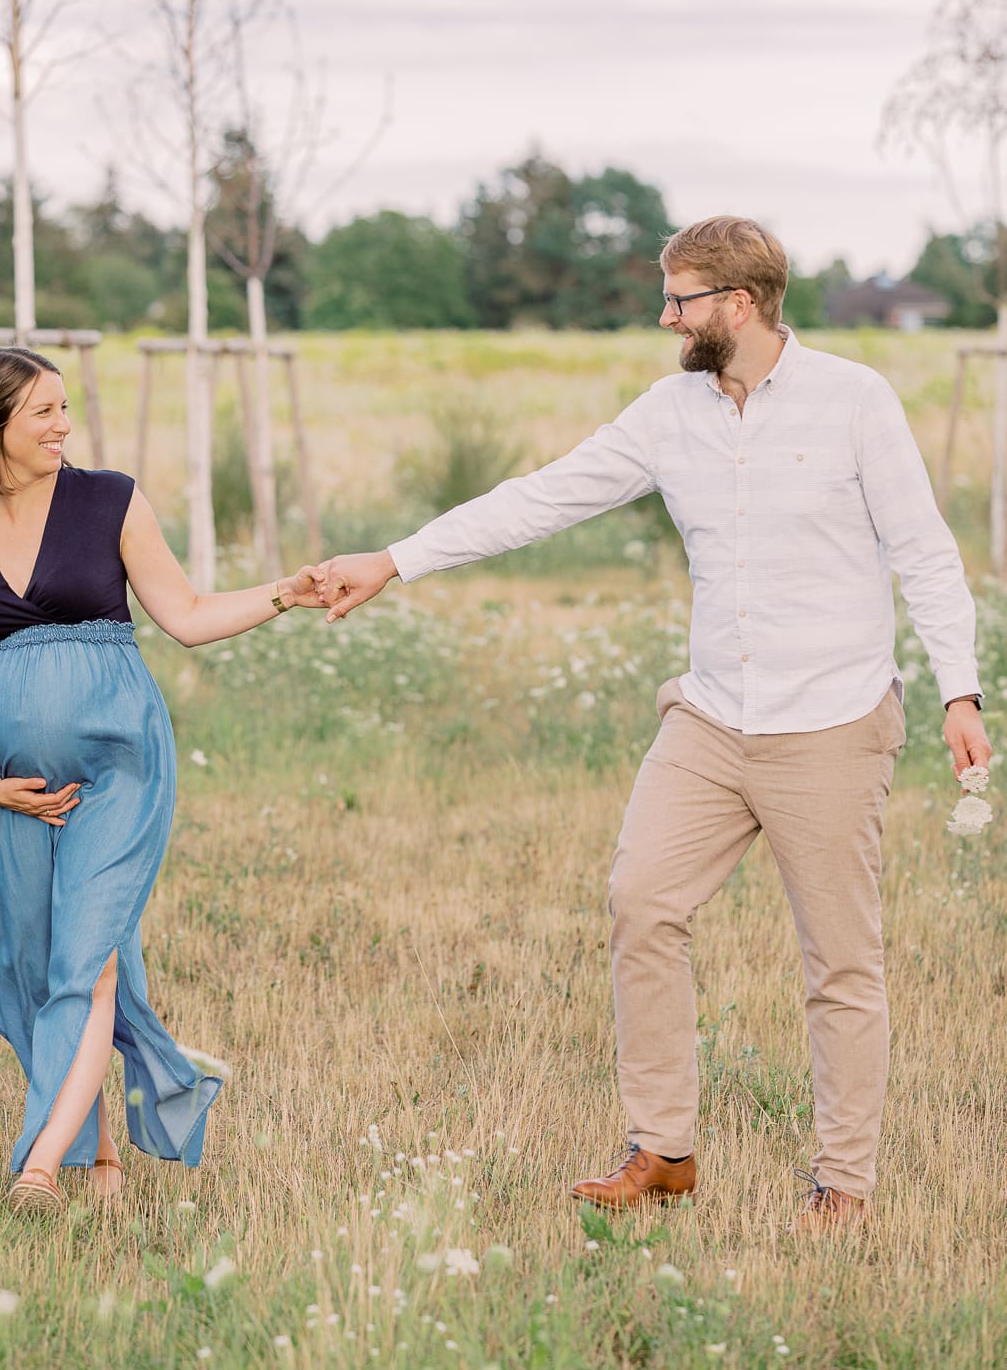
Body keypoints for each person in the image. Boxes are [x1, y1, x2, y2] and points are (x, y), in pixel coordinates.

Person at [315, 214, 991, 1233]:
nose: (665, 316)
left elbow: (927, 554)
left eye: (682, 300)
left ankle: (843, 1183)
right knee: (641, 901)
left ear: (743, 303)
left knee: (841, 960)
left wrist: (960, 691)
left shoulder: (857, 400)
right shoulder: (668, 414)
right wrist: (395, 559)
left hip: (833, 722)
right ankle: (663, 1150)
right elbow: (541, 498)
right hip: (713, 717)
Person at [0, 347, 326, 1212]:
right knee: (22, 963)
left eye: (66, 408)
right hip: (10, 787)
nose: (65, 424)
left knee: (86, 959)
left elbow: (188, 616)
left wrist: (284, 593)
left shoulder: (110, 500)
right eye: (45, 412)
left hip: (117, 765)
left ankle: (36, 1163)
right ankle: (102, 1157)